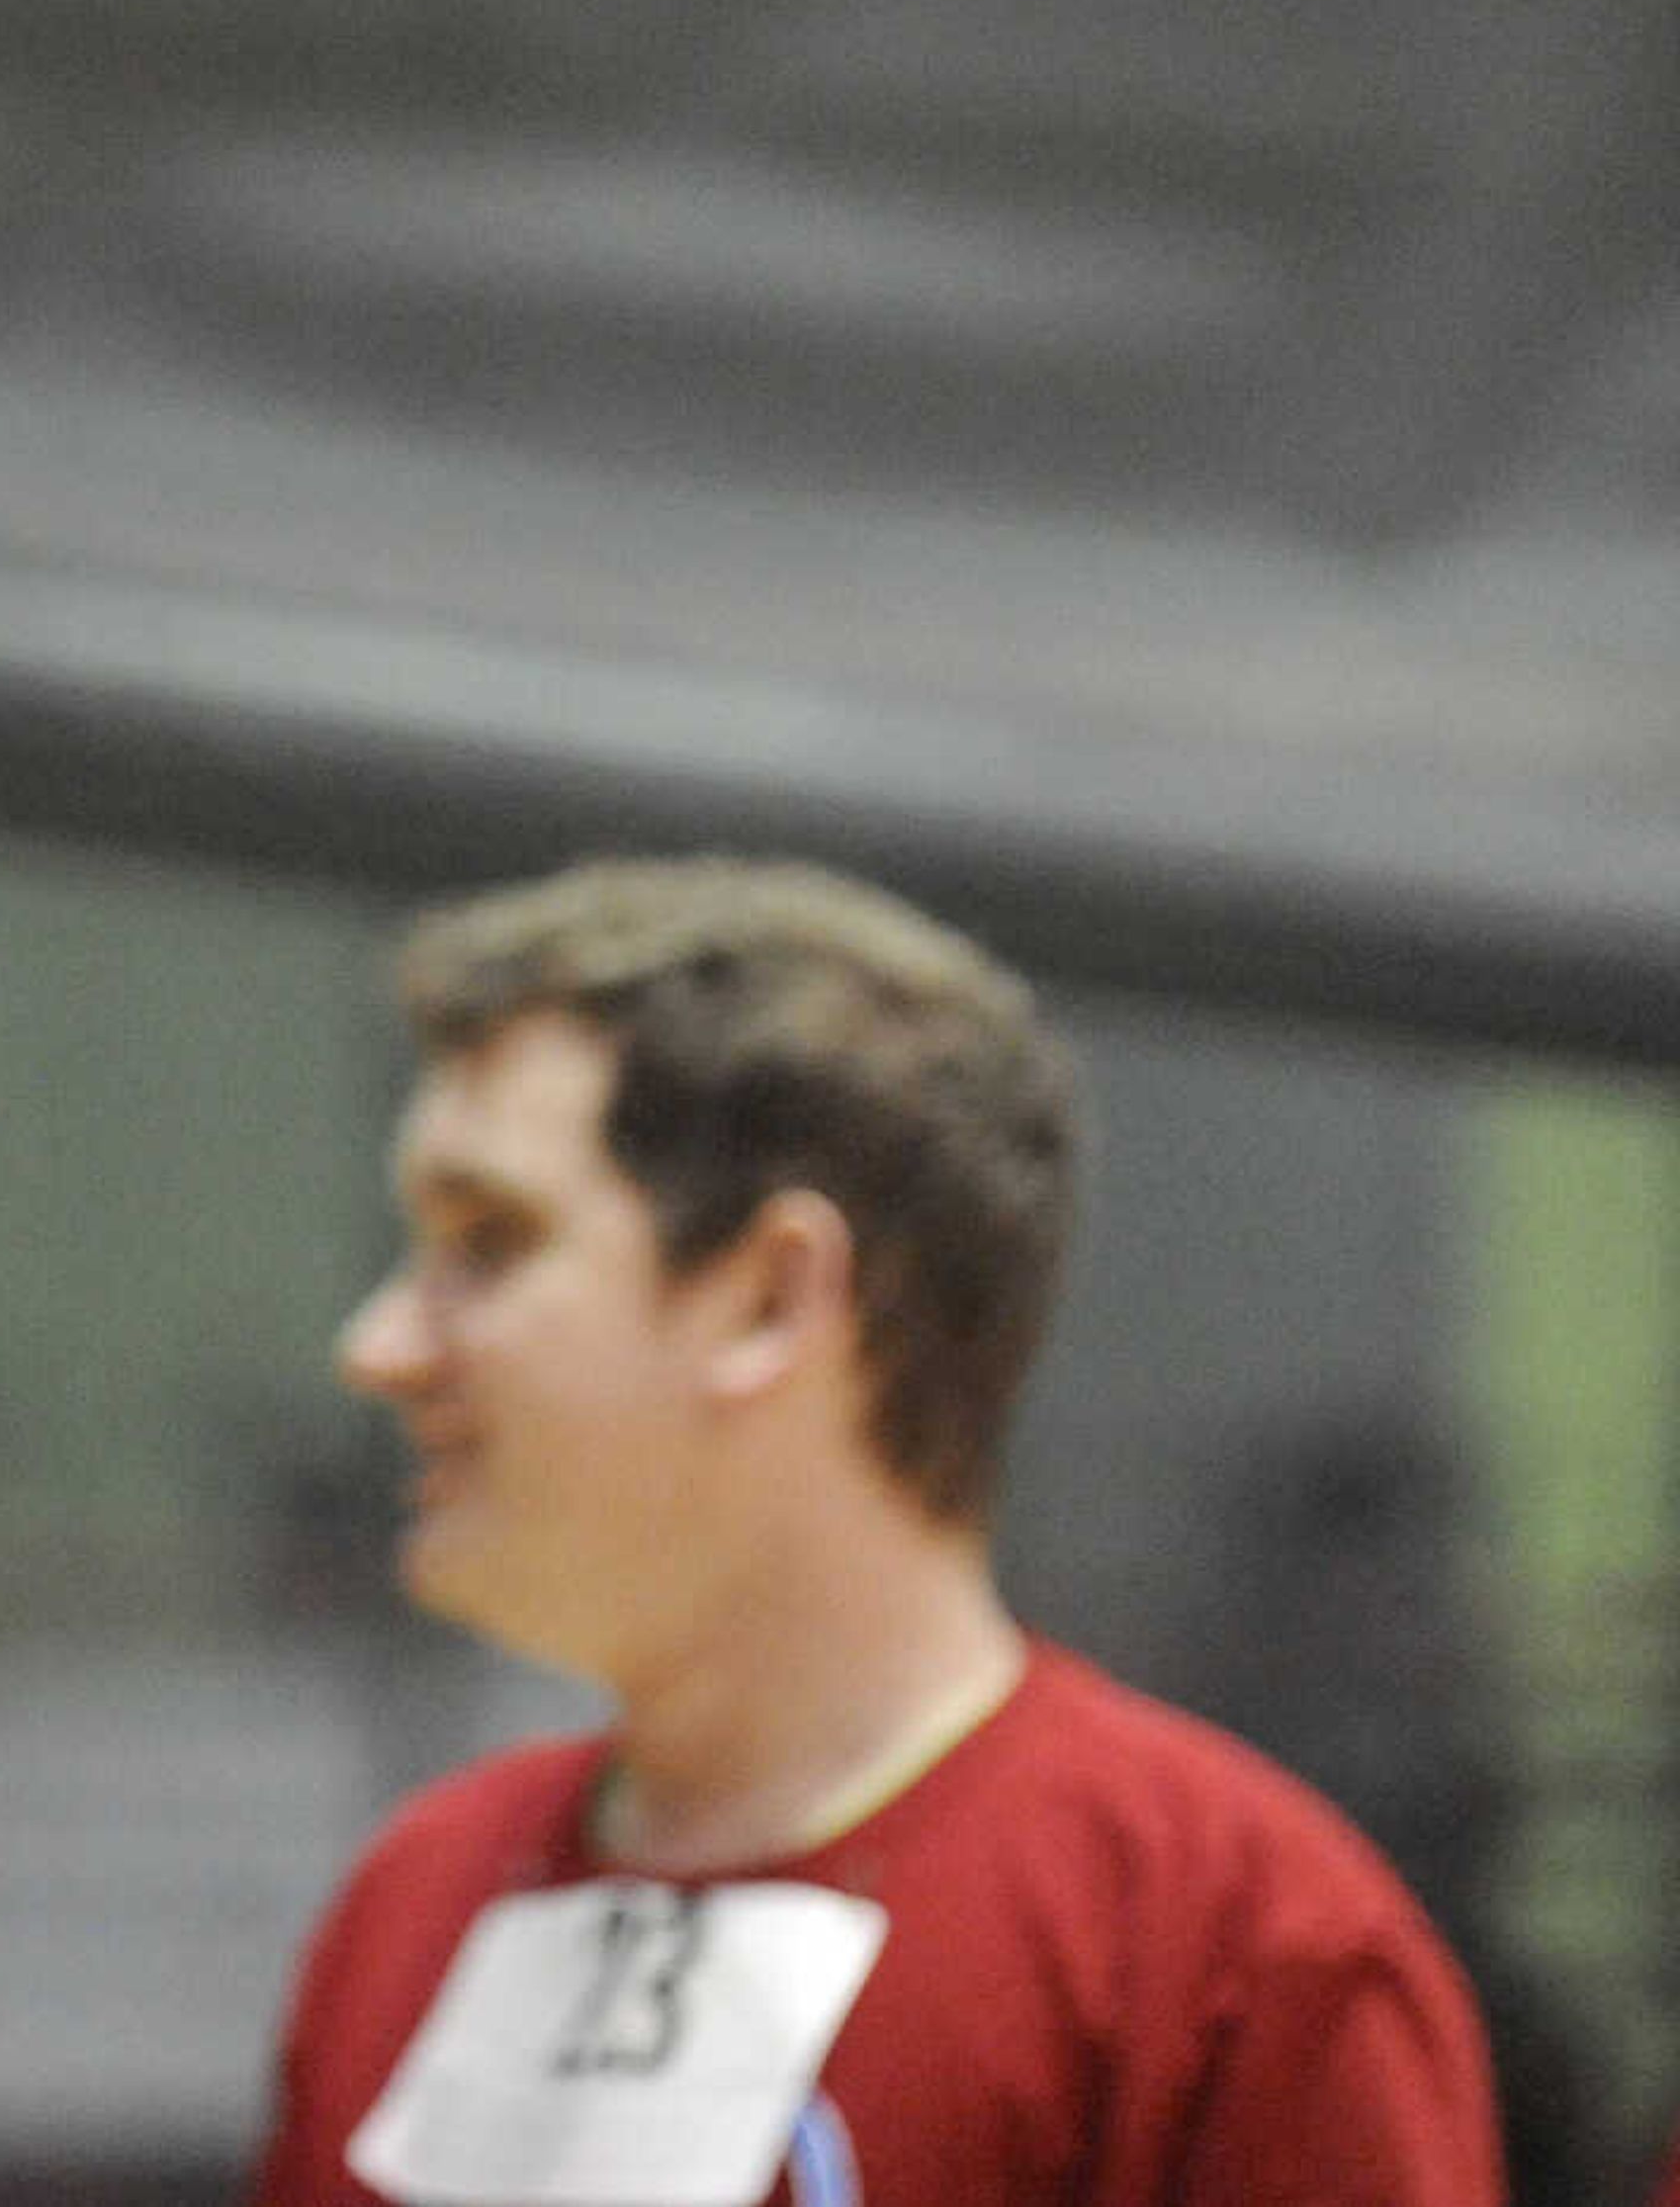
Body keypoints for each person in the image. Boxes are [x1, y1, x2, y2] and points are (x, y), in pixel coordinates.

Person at [249, 857, 1501, 2206]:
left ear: (772, 1298)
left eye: (488, 1240)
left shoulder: (1228, 1946)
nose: (380, 1347)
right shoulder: (415, 1902)